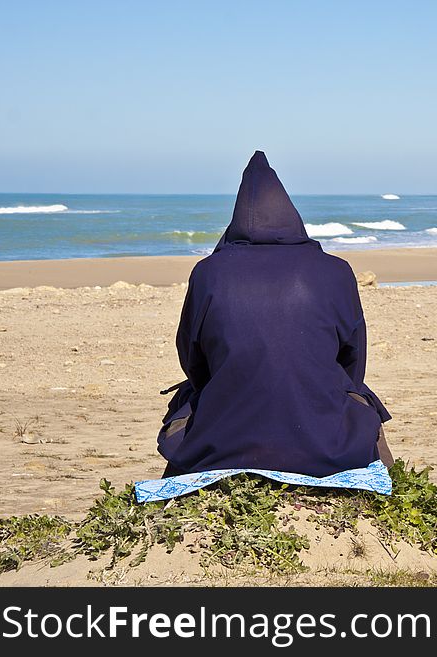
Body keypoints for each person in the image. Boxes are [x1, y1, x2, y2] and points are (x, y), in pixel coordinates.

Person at [157, 151, 394, 478]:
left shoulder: (208, 273)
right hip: (328, 443)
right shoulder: (335, 271)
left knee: (189, 398)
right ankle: (389, 485)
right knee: (363, 403)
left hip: (222, 442)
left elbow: (193, 360)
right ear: (292, 216)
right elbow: (354, 358)